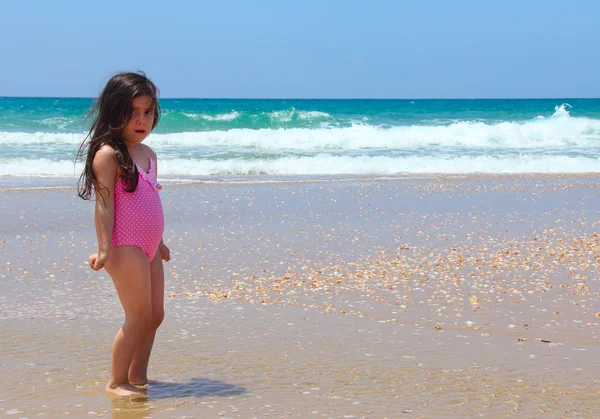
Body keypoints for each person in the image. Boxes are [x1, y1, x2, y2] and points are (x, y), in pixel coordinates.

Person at [77, 71, 170, 397]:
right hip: (123, 244)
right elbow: (104, 205)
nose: (141, 119)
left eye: (147, 112)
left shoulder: (149, 154)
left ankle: (138, 376)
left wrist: (158, 243)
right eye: (133, 112)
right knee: (138, 314)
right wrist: (104, 250)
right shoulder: (108, 154)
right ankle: (116, 381)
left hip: (148, 247)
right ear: (114, 112)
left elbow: (150, 200)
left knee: (155, 315)